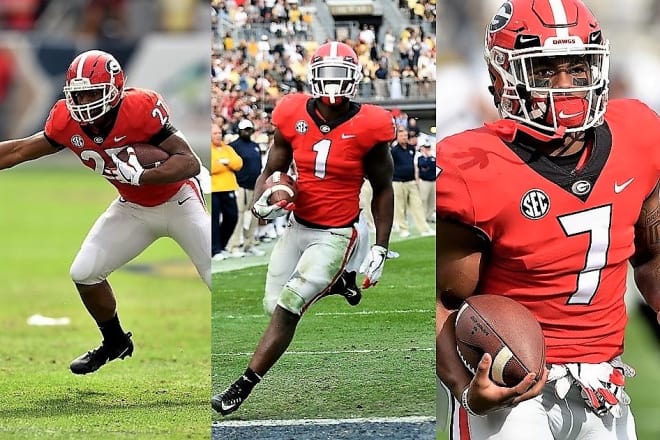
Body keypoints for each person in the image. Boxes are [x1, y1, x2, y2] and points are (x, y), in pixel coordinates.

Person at [436, 1, 660, 439]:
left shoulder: (641, 133)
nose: (565, 87)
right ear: (502, 76)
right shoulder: (469, 169)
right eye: (543, 70)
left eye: (577, 68)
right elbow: (442, 301)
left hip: (606, 382)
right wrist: (467, 390)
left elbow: (652, 256)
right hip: (509, 383)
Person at [212, 41, 396, 416]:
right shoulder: (290, 112)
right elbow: (271, 170)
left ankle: (242, 386)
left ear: (354, 78)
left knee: (289, 305)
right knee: (271, 304)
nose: (332, 83)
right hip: (297, 227)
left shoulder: (371, 124)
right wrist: (265, 201)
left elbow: (383, 188)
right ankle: (339, 283)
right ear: (312, 77)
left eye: (339, 74)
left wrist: (379, 246)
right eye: (325, 74)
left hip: (337, 234)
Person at [0, 50, 211, 374]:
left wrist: (142, 175)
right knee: (84, 273)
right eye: (77, 94)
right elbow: (19, 150)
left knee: (214, 276)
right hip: (133, 209)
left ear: (114, 90)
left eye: (91, 93)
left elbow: (189, 162)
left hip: (179, 201)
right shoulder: (65, 120)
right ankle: (114, 341)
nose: (83, 102)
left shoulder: (141, 108)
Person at [226, 118, 266, 257]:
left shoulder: (255, 145)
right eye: (245, 129)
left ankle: (249, 244)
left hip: (254, 185)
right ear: (240, 130)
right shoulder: (233, 146)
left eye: (250, 129)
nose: (248, 132)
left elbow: (259, 166)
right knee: (239, 216)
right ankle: (235, 245)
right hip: (240, 185)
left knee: (254, 216)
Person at [391, 129, 434, 238]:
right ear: (398, 137)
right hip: (398, 182)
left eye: (405, 135)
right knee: (400, 207)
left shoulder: (411, 148)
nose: (404, 137)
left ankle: (424, 228)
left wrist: (416, 177)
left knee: (417, 205)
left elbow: (413, 164)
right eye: (401, 135)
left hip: (411, 181)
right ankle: (403, 229)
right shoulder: (394, 150)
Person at [211, 123, 243, 260]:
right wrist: (225, 164)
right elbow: (210, 167)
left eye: (219, 133)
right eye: (215, 133)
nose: (219, 135)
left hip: (229, 187)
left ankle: (222, 246)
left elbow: (238, 163)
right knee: (213, 221)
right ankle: (214, 249)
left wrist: (227, 162)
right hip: (213, 189)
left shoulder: (228, 148)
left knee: (232, 217)